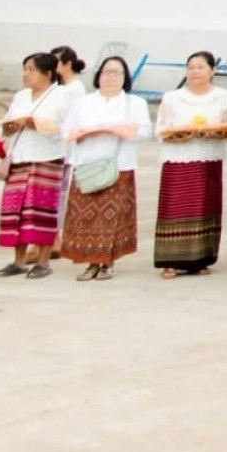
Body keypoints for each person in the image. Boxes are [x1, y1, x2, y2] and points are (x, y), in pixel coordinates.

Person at [59, 54, 150, 281]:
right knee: (86, 218)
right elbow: (66, 131)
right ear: (98, 76)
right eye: (106, 72)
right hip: (87, 165)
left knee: (112, 218)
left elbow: (145, 131)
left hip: (118, 165)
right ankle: (91, 262)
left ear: (124, 78)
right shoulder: (83, 104)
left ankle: (107, 262)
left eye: (116, 73)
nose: (110, 77)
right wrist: (80, 134)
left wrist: (122, 131)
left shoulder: (134, 103)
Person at [0, 51, 77, 279]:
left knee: (41, 210)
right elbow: (8, 124)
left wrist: (37, 124)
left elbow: (66, 127)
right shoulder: (22, 96)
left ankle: (43, 260)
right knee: (15, 210)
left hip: (47, 157)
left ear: (48, 73)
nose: (26, 74)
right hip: (20, 157)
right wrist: (9, 127)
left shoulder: (62, 95)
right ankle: (18, 261)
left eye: (31, 69)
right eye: (25, 69)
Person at [153, 51, 227, 277]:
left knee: (204, 208)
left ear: (212, 70)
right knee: (175, 208)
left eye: (200, 67)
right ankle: (170, 261)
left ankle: (200, 260)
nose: (195, 71)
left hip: (208, 156)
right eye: (191, 67)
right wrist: (177, 136)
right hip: (177, 158)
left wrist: (215, 134)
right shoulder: (173, 97)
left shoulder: (223, 96)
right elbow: (160, 128)